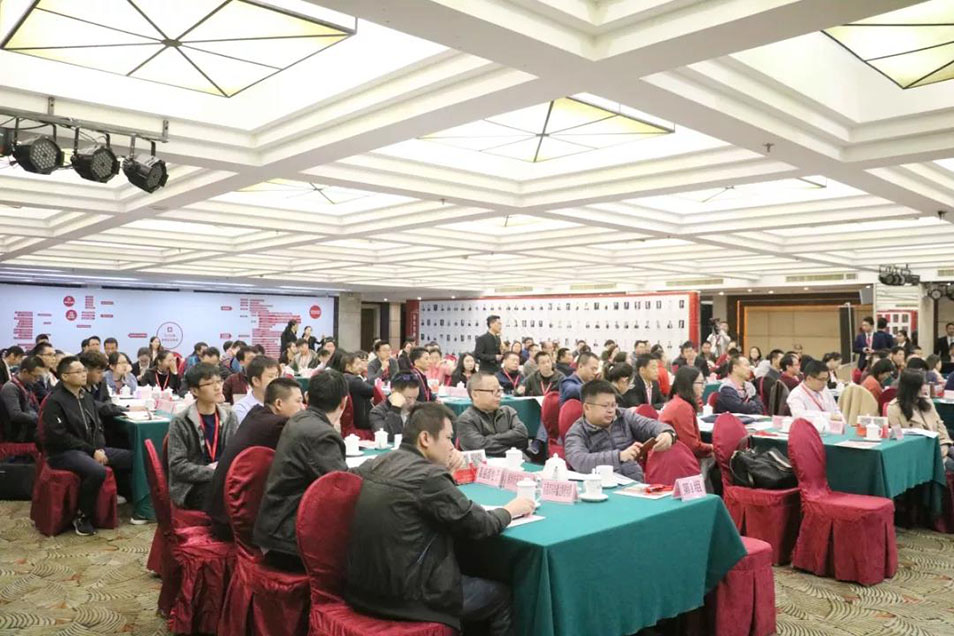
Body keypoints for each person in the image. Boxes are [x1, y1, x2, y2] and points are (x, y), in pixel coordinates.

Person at [345, 402, 533, 635]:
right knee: (501, 596)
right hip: (409, 598)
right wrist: (510, 510)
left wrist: (447, 476)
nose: (452, 447)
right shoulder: (430, 476)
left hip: (361, 589)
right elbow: (480, 525)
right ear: (425, 439)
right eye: (448, 438)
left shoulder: (378, 462)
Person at [254, 370, 350, 571]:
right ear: (344, 402)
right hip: (287, 540)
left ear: (307, 397)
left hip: (274, 526)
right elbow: (342, 490)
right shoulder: (321, 435)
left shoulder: (299, 420)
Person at [41, 356, 132, 536]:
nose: (84, 374)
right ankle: (82, 516)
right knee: (96, 471)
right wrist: (92, 451)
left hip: (90, 449)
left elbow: (97, 427)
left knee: (135, 457)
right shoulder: (54, 401)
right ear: (64, 376)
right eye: (79, 371)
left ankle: (134, 504)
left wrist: (98, 448)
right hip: (64, 453)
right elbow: (59, 437)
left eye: (84, 371)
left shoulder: (86, 397)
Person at [206, 377, 303, 540]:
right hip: (234, 522)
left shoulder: (256, 414)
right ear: (279, 403)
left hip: (221, 511)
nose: (302, 407)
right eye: (298, 401)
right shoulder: (277, 425)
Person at [564, 379, 675, 481]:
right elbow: (579, 460)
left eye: (613, 405)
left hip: (634, 482)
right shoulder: (577, 432)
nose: (611, 410)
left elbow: (649, 425)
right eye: (605, 406)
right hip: (601, 486)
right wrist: (619, 456)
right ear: (587, 407)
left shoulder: (623, 416)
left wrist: (667, 433)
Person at [167, 364, 239, 511]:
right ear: (194, 391)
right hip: (191, 485)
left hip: (225, 478)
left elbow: (236, 454)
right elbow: (177, 465)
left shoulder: (230, 416)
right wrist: (214, 473)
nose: (217, 387)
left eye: (219, 381)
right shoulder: (181, 421)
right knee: (221, 498)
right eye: (209, 383)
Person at [887, 369, 954, 471]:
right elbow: (899, 440)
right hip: (920, 454)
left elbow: (940, 426)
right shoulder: (894, 408)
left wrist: (944, 445)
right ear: (912, 387)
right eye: (922, 385)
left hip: (940, 446)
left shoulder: (927, 402)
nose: (925, 388)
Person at [457, 372, 529, 456]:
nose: (498, 395)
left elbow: (522, 435)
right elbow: (480, 447)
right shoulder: (466, 420)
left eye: (499, 390)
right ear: (475, 394)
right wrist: (512, 451)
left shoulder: (508, 412)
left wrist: (488, 438)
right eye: (493, 391)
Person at [660, 366, 711, 459]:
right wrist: (712, 448)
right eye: (700, 382)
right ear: (689, 384)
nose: (703, 386)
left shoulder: (679, 402)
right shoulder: (682, 407)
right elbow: (692, 446)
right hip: (676, 459)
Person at [0, 355, 43, 443]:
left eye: (39, 377)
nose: (37, 380)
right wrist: (39, 420)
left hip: (30, 429)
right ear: (25, 372)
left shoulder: (28, 386)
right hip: (18, 435)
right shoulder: (10, 388)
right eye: (35, 376)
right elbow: (16, 415)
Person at [369, 372, 420, 442]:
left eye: (415, 398)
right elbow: (387, 439)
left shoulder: (419, 408)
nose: (412, 402)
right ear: (394, 392)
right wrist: (395, 409)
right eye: (409, 398)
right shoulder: (377, 412)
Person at [233, 356, 281, 425]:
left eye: (277, 375)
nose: (276, 380)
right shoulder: (242, 409)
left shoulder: (283, 403)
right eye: (271, 376)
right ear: (256, 381)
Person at [339, 351, 374, 431]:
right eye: (357, 364)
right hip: (361, 421)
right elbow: (372, 391)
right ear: (348, 366)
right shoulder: (354, 380)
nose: (360, 366)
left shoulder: (344, 377)